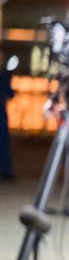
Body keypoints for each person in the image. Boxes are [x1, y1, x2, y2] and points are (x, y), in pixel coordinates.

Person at [0, 53, 13, 182]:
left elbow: (10, 93)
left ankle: (6, 171)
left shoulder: (5, 75)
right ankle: (6, 171)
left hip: (1, 114)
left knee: (3, 142)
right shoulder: (4, 75)